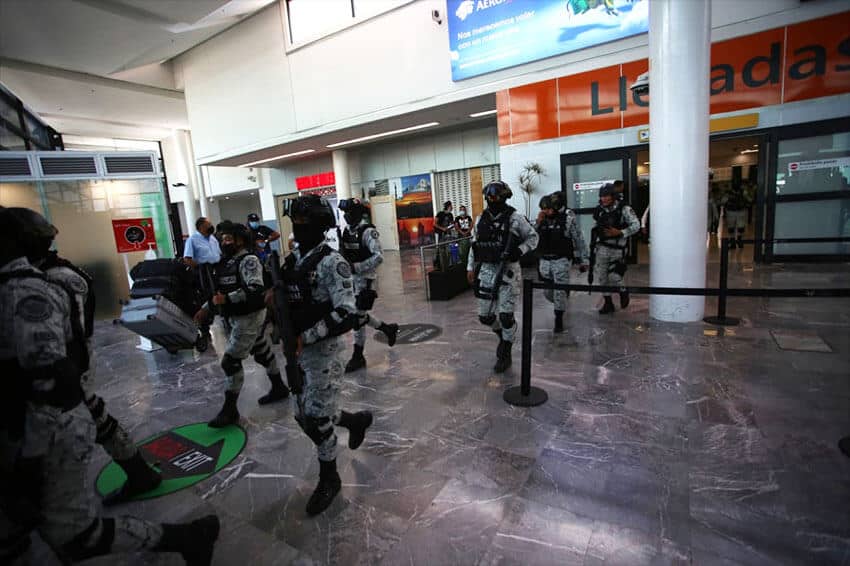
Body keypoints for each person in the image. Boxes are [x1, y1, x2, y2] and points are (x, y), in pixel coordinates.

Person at [0, 207, 220, 565]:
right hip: (39, 409)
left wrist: (31, 460)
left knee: (73, 531)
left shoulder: (39, 284)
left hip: (58, 398)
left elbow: (54, 369)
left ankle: (174, 521)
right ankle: (140, 475)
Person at [4, 208, 162, 507]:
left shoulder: (56, 277)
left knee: (90, 418)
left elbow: (72, 333)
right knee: (97, 416)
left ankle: (139, 475)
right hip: (61, 368)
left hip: (68, 365)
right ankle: (139, 472)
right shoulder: (34, 276)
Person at [280, 194, 374, 515]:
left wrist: (306, 336)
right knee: (301, 414)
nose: (297, 228)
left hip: (324, 353)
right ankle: (355, 420)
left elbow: (346, 312)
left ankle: (330, 478)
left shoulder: (332, 262)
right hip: (297, 352)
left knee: (318, 419)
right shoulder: (292, 260)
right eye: (295, 223)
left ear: (319, 225)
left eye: (303, 223)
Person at [194, 222, 290, 428]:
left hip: (250, 316)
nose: (224, 242)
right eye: (222, 239)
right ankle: (279, 387)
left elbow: (255, 289)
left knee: (230, 361)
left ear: (240, 240)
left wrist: (227, 299)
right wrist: (206, 308)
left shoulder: (249, 260)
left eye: (228, 238)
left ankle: (230, 410)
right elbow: (218, 294)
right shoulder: (225, 262)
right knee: (261, 350)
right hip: (234, 317)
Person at [466, 181, 539, 373]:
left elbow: (533, 237)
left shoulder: (515, 218)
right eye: (489, 197)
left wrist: (519, 251)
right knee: (485, 317)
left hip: (508, 272)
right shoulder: (481, 218)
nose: (492, 200)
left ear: (505, 197)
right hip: (486, 271)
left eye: (496, 197)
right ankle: (503, 335)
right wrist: (469, 268)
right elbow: (474, 244)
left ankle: (506, 349)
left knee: (506, 316)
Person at [337, 198, 399, 373]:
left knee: (357, 318)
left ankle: (358, 356)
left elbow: (379, 256)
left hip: (366, 281)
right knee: (359, 316)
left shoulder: (367, 231)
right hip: (351, 282)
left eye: (349, 213)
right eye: (344, 213)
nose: (346, 216)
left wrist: (356, 267)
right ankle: (388, 329)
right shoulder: (346, 231)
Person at [535, 192, 589, 333]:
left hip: (561, 260)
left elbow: (579, 239)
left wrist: (584, 259)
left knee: (559, 291)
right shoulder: (542, 219)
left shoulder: (567, 218)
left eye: (547, 208)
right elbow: (533, 237)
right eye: (543, 208)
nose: (545, 211)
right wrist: (538, 222)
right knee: (548, 293)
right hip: (545, 261)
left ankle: (558, 318)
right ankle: (562, 299)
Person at [591, 183, 640, 314]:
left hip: (618, 247)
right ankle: (608, 303)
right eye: (601, 196)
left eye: (606, 196)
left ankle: (623, 292)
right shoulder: (599, 210)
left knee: (614, 276)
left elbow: (636, 226)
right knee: (602, 276)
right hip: (602, 247)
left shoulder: (624, 209)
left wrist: (620, 232)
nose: (604, 199)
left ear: (613, 196)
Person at [183, 217, 220, 350]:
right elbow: (187, 259)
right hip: (203, 273)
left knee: (217, 297)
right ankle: (204, 331)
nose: (211, 226)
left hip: (216, 270)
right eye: (208, 224)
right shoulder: (192, 240)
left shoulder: (213, 238)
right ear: (201, 227)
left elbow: (218, 254)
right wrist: (198, 268)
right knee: (205, 300)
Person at [722, 183, 751, 249]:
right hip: (741, 211)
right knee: (740, 228)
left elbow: (723, 201)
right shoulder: (744, 192)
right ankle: (740, 242)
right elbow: (749, 200)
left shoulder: (728, 193)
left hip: (731, 212)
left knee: (731, 228)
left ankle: (733, 243)